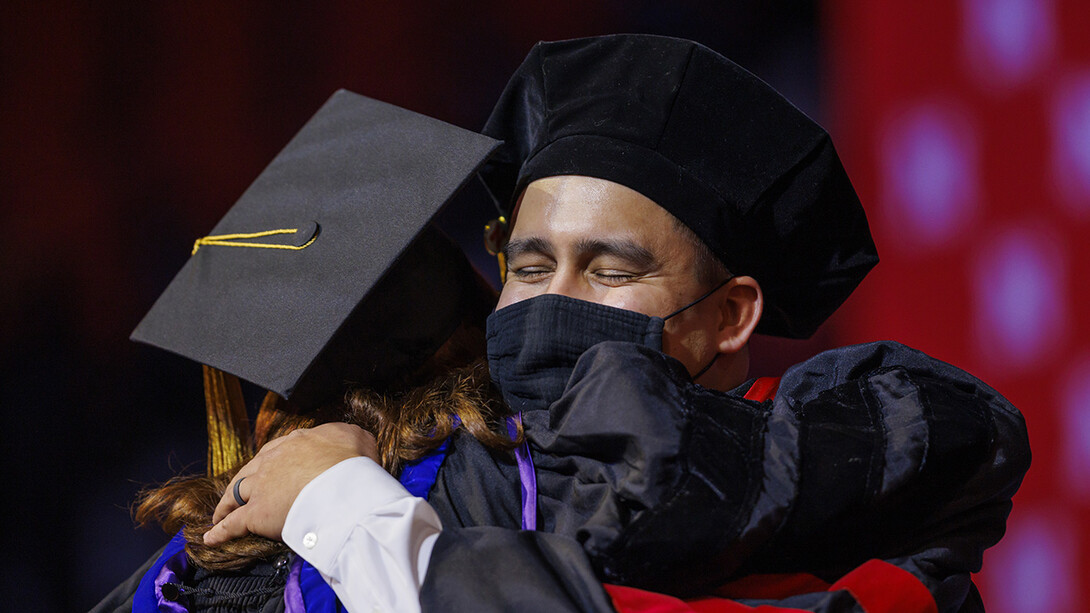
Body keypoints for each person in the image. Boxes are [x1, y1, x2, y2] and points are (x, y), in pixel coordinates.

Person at [114, 35, 1031, 613]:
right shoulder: (442, 475)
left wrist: (342, 499)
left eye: (611, 268)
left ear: (729, 314)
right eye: (529, 264)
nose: (554, 302)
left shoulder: (848, 473)